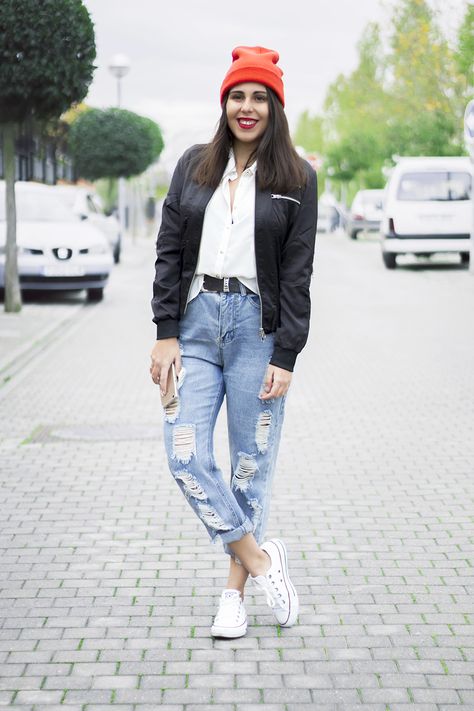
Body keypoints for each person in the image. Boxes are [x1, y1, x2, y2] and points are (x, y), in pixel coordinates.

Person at [150, 46, 318, 638]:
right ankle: (261, 559)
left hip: (258, 328)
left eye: (259, 97)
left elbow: (298, 272)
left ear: (275, 106)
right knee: (186, 455)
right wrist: (164, 332)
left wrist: (286, 355)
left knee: (250, 466)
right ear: (224, 102)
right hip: (195, 323)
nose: (247, 108)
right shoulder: (194, 165)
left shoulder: (298, 178)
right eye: (237, 96)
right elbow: (169, 249)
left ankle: (233, 597)